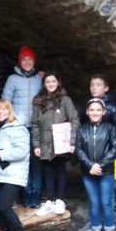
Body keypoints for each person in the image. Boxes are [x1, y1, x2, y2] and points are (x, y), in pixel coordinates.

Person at [78, 74, 116, 231]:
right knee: (94, 197)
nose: (94, 88)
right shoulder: (88, 106)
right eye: (92, 85)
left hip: (108, 155)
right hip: (90, 156)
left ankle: (107, 226)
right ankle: (94, 224)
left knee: (107, 196)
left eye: (98, 85)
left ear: (106, 88)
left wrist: (109, 152)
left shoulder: (113, 108)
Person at [31, 72, 80, 216]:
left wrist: (72, 142)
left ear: (58, 82)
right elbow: (34, 124)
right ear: (44, 84)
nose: (51, 84)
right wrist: (37, 145)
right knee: (48, 171)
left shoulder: (65, 100)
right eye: (48, 82)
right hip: (45, 141)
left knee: (60, 169)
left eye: (53, 81)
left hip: (61, 140)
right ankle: (49, 201)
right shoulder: (38, 101)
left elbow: (74, 120)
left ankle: (60, 200)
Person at [2, 45, 43, 208]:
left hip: (36, 125)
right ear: (19, 62)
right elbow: (6, 101)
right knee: (22, 161)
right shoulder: (12, 79)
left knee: (37, 161)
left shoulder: (39, 79)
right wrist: (11, 122)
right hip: (19, 127)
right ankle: (25, 195)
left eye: (30, 59)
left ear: (34, 61)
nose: (27, 62)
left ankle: (37, 194)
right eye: (24, 59)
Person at [76, 98, 116, 231]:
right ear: (87, 112)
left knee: (106, 203)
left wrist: (100, 165)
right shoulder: (81, 129)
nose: (95, 113)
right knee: (94, 202)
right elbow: (79, 149)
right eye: (92, 110)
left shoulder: (110, 128)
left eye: (98, 110)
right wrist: (90, 165)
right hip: (88, 172)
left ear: (103, 112)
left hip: (106, 171)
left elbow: (115, 148)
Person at [0, 99, 30, 231]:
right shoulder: (0, 129)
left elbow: (21, 152)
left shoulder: (18, 129)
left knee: (5, 207)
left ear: (10, 111)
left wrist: (1, 154)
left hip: (14, 174)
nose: (0, 112)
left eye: (4, 110)